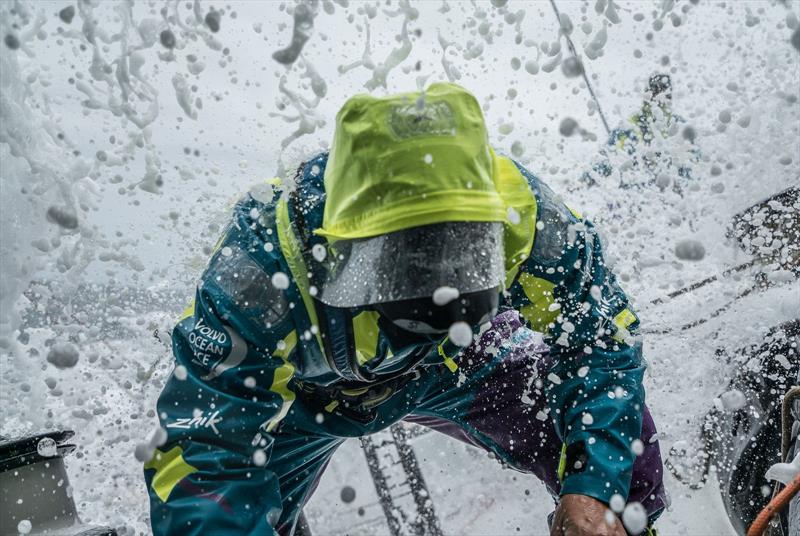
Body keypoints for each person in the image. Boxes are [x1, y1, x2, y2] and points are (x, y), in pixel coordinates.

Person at [143, 82, 667, 535]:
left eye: (461, 258)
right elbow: (208, 453)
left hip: (457, 360)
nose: (437, 293)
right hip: (305, 400)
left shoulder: (529, 219)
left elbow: (602, 342)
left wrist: (594, 487)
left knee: (620, 463)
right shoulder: (259, 275)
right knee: (235, 512)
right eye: (407, 269)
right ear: (342, 248)